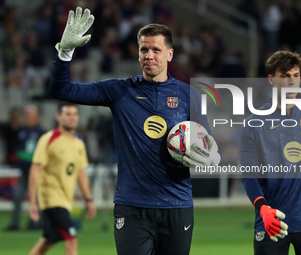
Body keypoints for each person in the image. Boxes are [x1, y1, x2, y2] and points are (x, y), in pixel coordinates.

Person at [49, 7, 220, 255]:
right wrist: (65, 53)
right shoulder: (120, 91)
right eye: (144, 50)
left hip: (177, 205)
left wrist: (203, 159)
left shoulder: (188, 95)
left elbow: (208, 147)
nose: (149, 55)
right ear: (138, 54)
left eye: (156, 50)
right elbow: (61, 91)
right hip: (132, 206)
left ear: (169, 54)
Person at [240, 50, 301, 255]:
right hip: (272, 222)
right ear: (271, 80)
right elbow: (250, 176)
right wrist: (263, 209)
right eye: (285, 76)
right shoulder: (253, 124)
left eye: (296, 76)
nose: (292, 82)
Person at [28, 103, 96, 255]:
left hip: (65, 200)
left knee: (49, 239)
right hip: (51, 199)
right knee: (71, 238)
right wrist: (32, 202)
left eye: (75, 114)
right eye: (68, 114)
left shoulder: (79, 143)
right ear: (58, 117)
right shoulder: (49, 139)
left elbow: (81, 173)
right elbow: (35, 169)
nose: (72, 118)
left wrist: (88, 199)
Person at [4, 105, 45, 231]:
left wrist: (26, 156)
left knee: (38, 198)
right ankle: (15, 223)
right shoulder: (21, 131)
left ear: (37, 116)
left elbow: (41, 154)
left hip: (38, 172)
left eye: (30, 115)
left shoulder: (42, 133)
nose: (28, 118)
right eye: (26, 115)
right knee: (17, 197)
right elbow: (17, 151)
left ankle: (36, 223)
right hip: (24, 171)